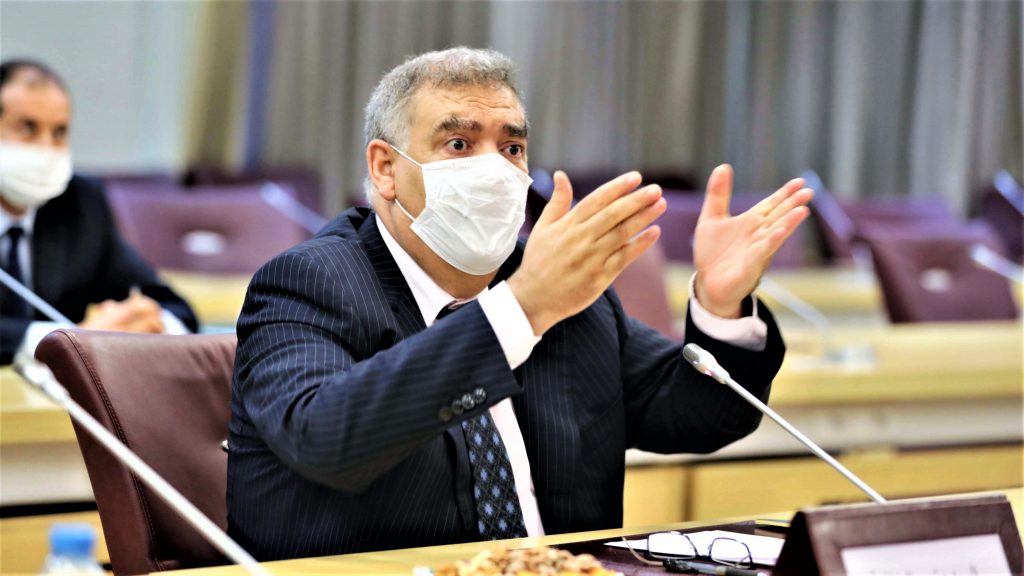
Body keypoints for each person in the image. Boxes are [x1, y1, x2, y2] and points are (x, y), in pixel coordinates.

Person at [228, 47, 812, 560]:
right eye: (459, 143)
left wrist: (720, 305)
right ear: (386, 169)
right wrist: (519, 311)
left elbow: (701, 414)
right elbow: (325, 438)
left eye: (511, 147)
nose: (494, 169)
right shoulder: (310, 283)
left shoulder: (557, 291)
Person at [0, 60, 198, 365]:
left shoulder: (80, 202)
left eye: (59, 132)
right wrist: (69, 341)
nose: (46, 147)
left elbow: (171, 306)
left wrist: (148, 327)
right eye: (28, 128)